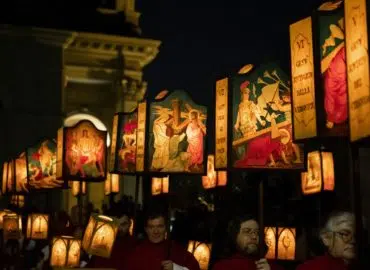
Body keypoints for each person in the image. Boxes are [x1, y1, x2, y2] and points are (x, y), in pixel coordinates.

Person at [125, 209, 200, 270]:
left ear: (166, 228)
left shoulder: (178, 251)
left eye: (160, 226)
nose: (156, 231)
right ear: (146, 229)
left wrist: (176, 268)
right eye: (151, 227)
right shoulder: (136, 253)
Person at [212, 215, 283, 270]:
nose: (254, 236)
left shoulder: (273, 267)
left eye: (257, 232)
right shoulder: (222, 267)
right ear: (235, 235)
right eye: (247, 231)